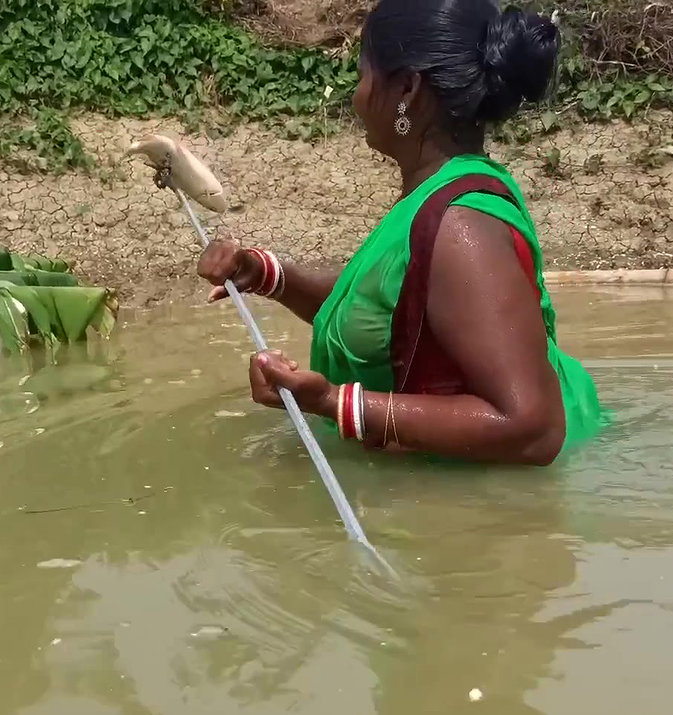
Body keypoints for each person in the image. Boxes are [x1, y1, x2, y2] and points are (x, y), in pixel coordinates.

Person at [196, 0, 607, 466]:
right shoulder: (440, 193)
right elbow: (391, 309)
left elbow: (530, 428)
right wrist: (269, 276)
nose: (356, 97)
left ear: (407, 88)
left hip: (510, 503)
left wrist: (335, 404)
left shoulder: (459, 225)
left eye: (364, 75)